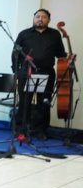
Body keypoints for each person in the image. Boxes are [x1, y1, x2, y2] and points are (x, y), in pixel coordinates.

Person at [13, 8, 68, 141]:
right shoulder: (24, 34)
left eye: (43, 17)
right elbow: (15, 54)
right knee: (24, 102)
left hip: (47, 73)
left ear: (48, 20)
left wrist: (68, 57)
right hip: (26, 73)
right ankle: (21, 130)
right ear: (34, 18)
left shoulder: (55, 34)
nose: (40, 19)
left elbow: (60, 54)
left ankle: (41, 131)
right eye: (37, 16)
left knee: (44, 103)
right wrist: (17, 71)